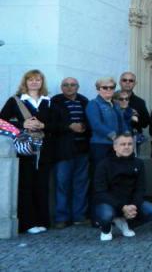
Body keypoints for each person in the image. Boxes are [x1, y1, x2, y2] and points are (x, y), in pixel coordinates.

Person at [0, 69, 55, 234]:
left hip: (45, 150)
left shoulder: (48, 102)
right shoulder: (15, 100)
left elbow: (58, 124)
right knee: (26, 185)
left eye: (37, 79)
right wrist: (22, 125)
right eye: (30, 79)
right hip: (25, 149)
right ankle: (28, 223)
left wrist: (44, 126)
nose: (34, 82)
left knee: (42, 185)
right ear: (25, 82)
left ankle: (42, 220)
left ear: (42, 82)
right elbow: (1, 121)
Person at [93, 133, 152, 241]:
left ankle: (125, 223)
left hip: (130, 202)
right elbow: (101, 192)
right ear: (115, 147)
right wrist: (122, 207)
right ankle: (106, 228)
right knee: (106, 215)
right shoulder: (104, 164)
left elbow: (141, 188)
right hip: (109, 202)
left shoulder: (138, 163)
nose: (126, 147)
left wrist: (133, 205)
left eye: (129, 144)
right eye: (123, 144)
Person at [49, 77, 91, 229]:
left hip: (83, 149)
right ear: (61, 87)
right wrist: (69, 126)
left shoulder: (84, 101)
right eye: (65, 85)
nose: (69, 87)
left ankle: (79, 216)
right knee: (62, 184)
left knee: (81, 184)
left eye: (72, 85)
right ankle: (61, 218)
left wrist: (84, 126)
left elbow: (90, 120)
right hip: (63, 150)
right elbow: (50, 124)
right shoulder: (55, 102)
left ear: (78, 87)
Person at [86, 77, 127, 166]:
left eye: (111, 87)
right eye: (105, 87)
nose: (108, 89)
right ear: (98, 89)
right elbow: (96, 124)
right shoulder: (93, 103)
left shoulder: (116, 105)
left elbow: (122, 123)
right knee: (100, 173)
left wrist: (126, 136)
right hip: (100, 145)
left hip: (117, 145)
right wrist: (114, 136)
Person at [118, 72, 150, 143]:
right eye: (124, 80)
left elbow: (145, 123)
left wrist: (136, 117)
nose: (127, 82)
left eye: (131, 80)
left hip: (132, 140)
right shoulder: (112, 99)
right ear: (120, 82)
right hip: (113, 139)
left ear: (135, 83)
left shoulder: (140, 102)